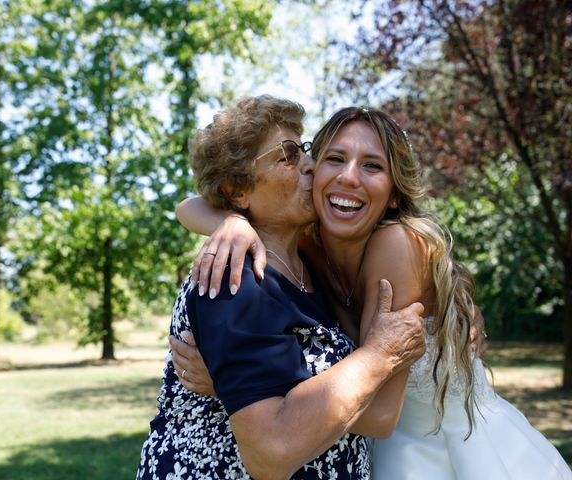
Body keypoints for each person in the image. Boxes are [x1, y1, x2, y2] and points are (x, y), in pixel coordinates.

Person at [176, 106, 572, 479]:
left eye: (372, 166)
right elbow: (187, 206)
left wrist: (233, 389)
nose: (349, 177)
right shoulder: (309, 244)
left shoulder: (396, 244)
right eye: (334, 159)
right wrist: (231, 221)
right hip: (359, 443)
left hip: (443, 449)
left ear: (395, 193)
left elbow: (382, 414)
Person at [135, 96, 426, 480]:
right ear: (238, 190)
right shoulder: (234, 276)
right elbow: (271, 452)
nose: (310, 164)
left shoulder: (309, 264)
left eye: (304, 151)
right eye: (288, 156)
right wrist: (380, 354)